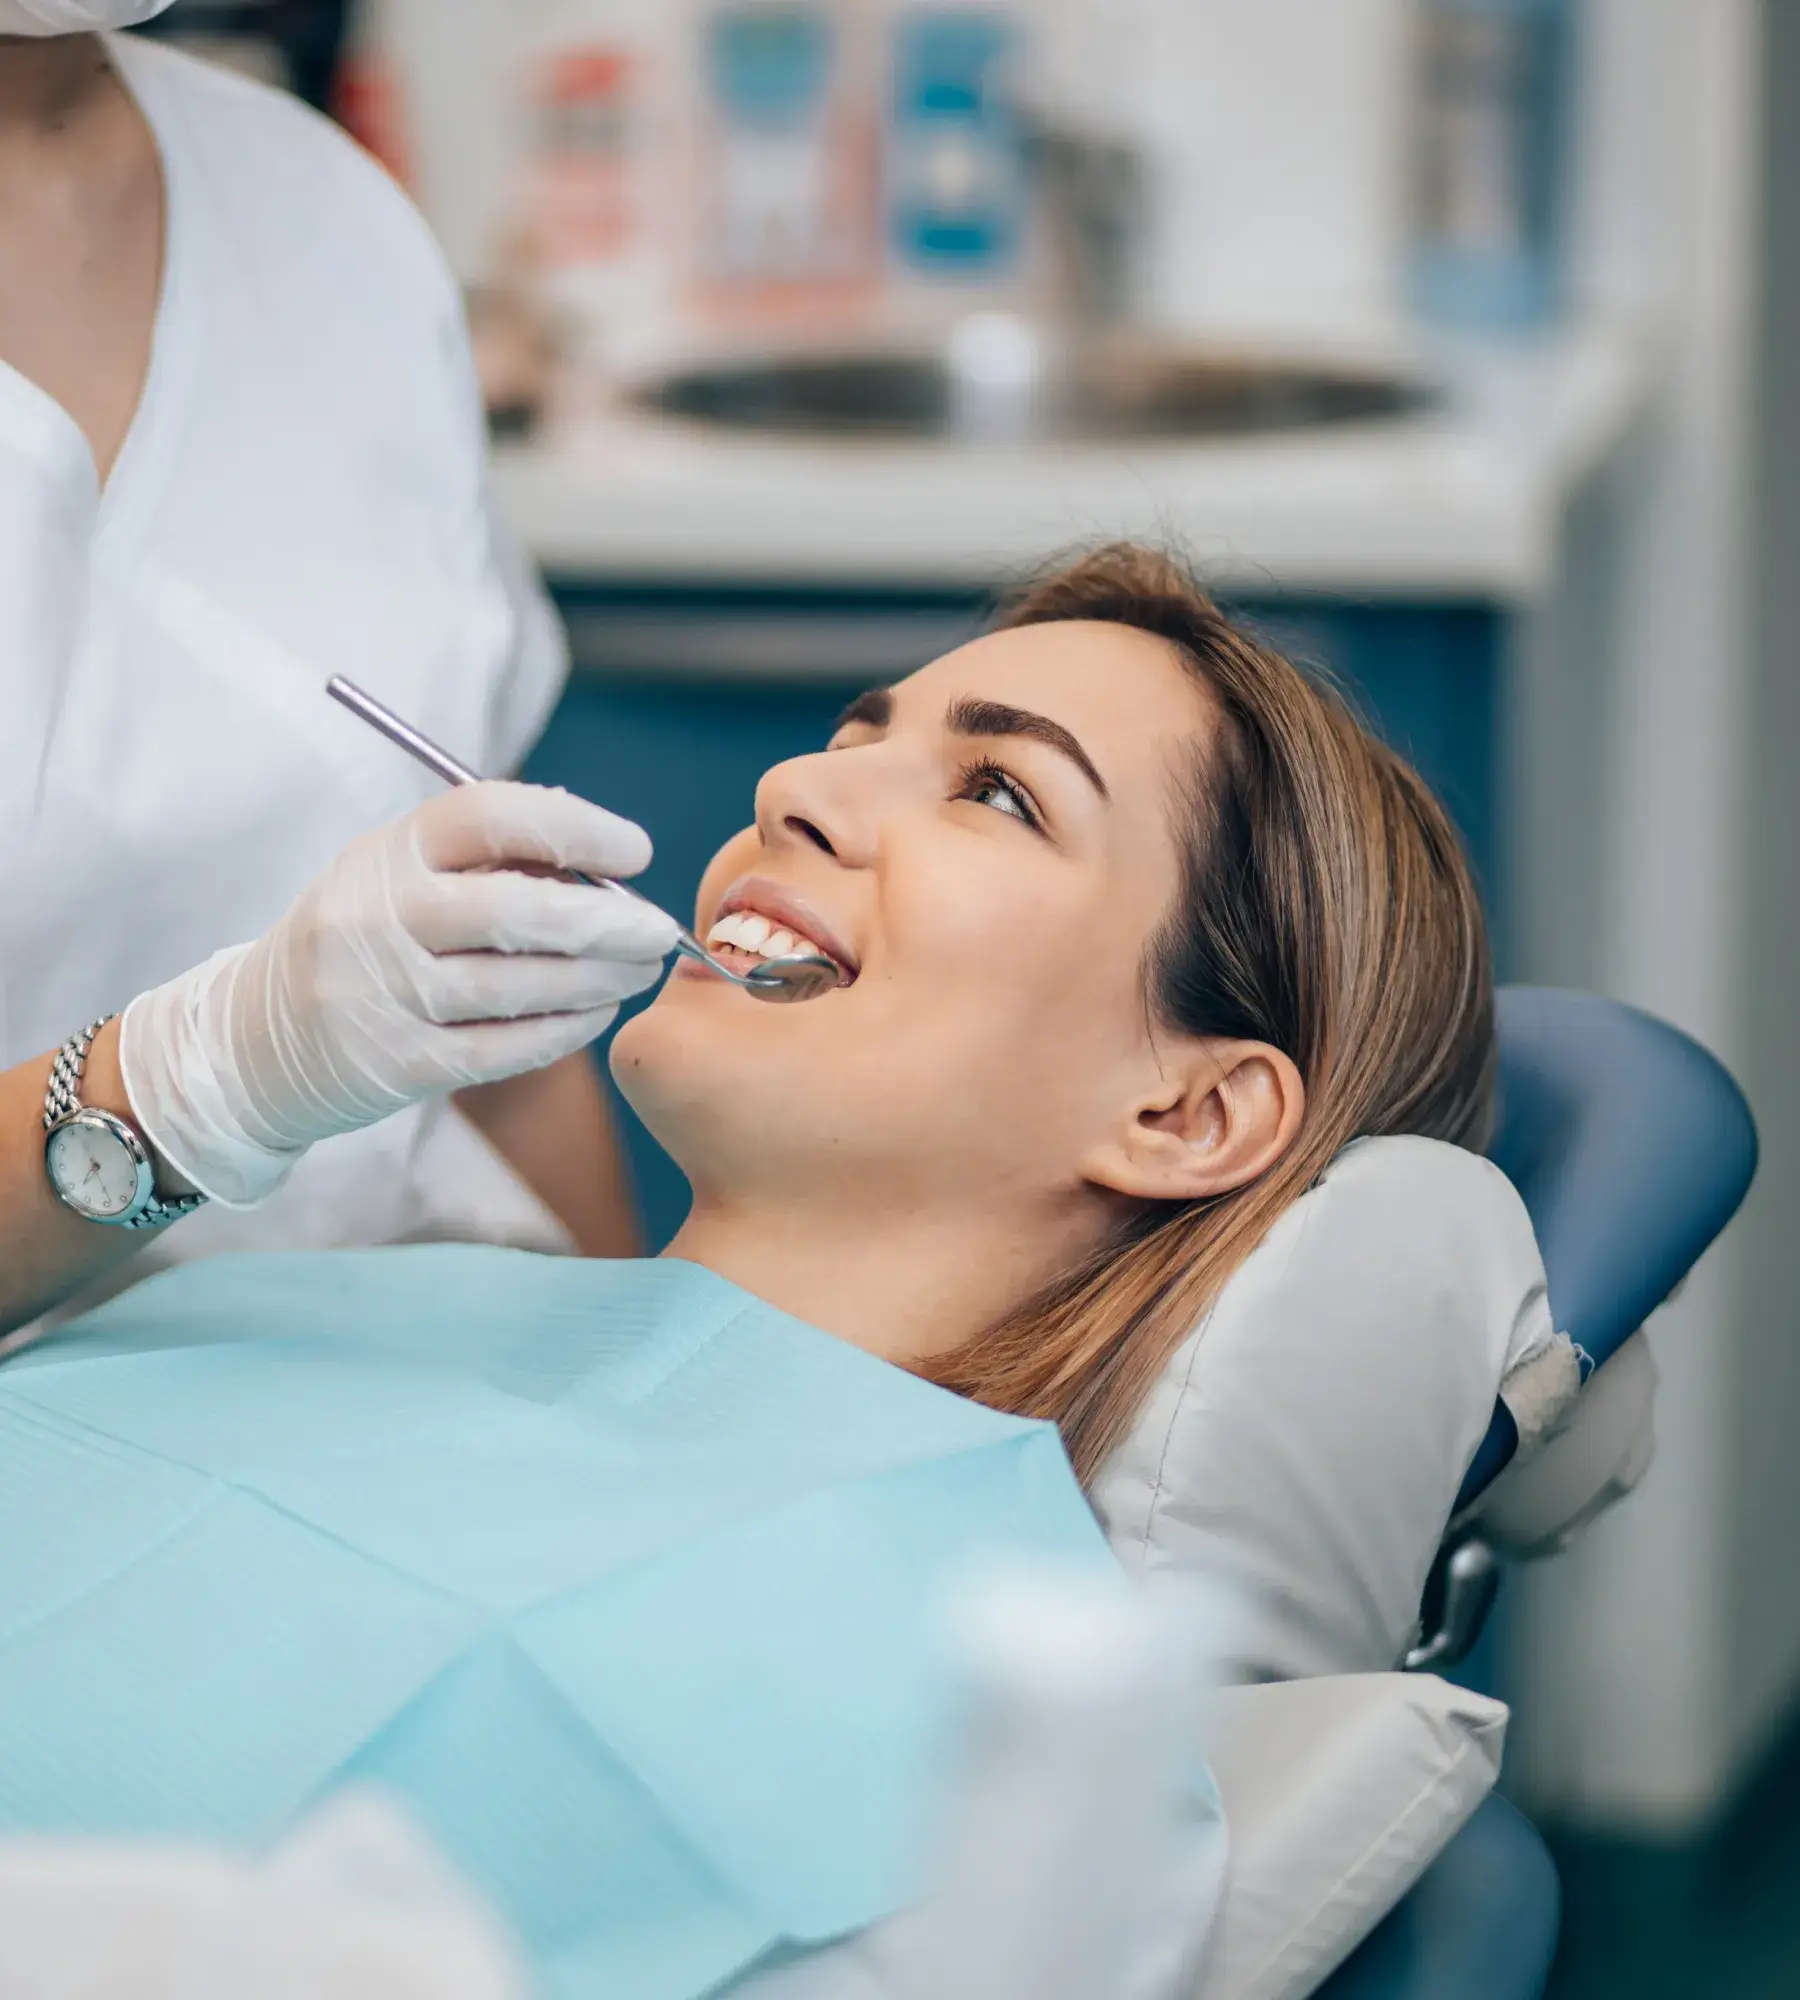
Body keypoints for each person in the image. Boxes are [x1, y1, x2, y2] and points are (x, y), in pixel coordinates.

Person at [0, 547, 1495, 1996]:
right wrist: (200, 1077)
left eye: (998, 792)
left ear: (1185, 1113)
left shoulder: (1011, 1773)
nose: (796, 790)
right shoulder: (284, 1290)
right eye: (855, 734)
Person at [0, 4, 676, 1340]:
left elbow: (504, 1045)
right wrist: (195, 1089)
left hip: (433, 1410)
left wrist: (645, 1402)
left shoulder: (325, 214)